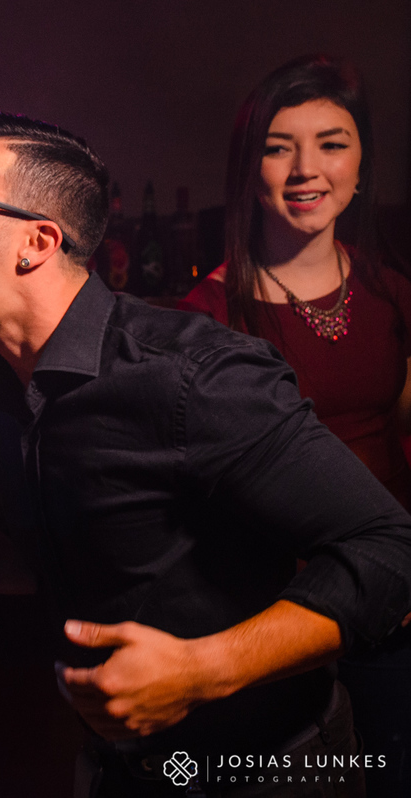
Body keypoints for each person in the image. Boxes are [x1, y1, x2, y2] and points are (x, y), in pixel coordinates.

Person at [0, 107, 411, 797]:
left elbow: (391, 549)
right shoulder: (8, 386)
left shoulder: (192, 377)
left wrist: (203, 670)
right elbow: (74, 556)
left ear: (36, 242)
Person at [179, 55, 411, 797]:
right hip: (283, 623)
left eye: (332, 142)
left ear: (362, 159)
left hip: (396, 607)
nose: (308, 168)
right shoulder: (203, 320)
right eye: (280, 146)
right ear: (250, 168)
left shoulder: (393, 294)